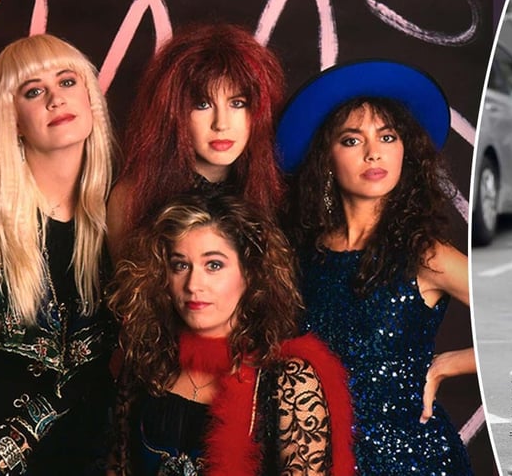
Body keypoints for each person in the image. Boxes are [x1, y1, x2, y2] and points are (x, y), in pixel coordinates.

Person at [279, 60, 476, 475]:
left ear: (405, 149)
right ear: (325, 157)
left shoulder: (425, 254)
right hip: (319, 461)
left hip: (414, 461)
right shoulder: (301, 255)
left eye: (387, 136)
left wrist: (445, 365)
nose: (373, 152)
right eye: (352, 140)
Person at [0, 34, 116, 475]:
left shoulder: (121, 209)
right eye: (33, 91)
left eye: (68, 81)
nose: (56, 99)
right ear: (12, 118)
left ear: (91, 99)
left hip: (96, 455)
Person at [107, 192, 355, 475]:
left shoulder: (288, 380)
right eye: (180, 265)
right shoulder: (148, 360)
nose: (193, 284)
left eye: (213, 265)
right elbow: (118, 467)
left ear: (250, 273)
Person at [106, 22, 286, 260]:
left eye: (237, 104)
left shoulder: (279, 196)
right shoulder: (133, 198)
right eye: (202, 105)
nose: (221, 124)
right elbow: (129, 294)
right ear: (173, 113)